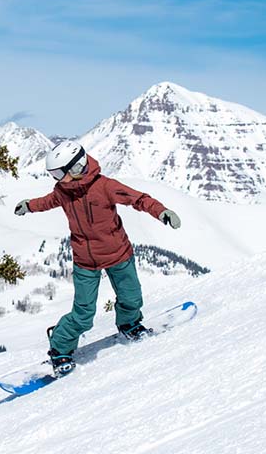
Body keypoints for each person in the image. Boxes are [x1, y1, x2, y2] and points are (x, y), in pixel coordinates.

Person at [14, 140, 181, 375]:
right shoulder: (63, 191)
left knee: (131, 297)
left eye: (58, 174)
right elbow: (46, 202)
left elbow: (138, 199)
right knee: (83, 315)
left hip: (118, 253)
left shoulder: (105, 187)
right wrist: (29, 206)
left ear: (75, 168)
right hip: (85, 261)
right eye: (53, 175)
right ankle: (60, 348)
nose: (56, 179)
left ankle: (129, 323)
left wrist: (162, 211)